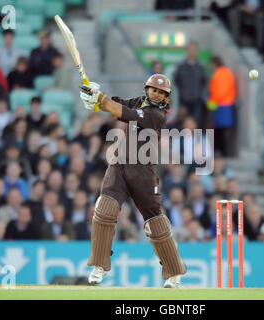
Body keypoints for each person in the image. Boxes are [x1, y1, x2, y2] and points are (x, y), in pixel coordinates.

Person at [79, 73, 187, 288]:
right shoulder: (140, 101)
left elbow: (122, 111)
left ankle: (174, 272)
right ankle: (99, 266)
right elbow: (117, 103)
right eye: (154, 90)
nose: (156, 94)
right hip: (120, 165)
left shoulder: (157, 114)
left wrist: (101, 101)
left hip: (143, 173)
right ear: (147, 89)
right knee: (105, 208)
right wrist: (95, 96)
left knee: (155, 222)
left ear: (166, 97)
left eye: (161, 92)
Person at [206, 56, 237, 156]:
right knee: (221, 131)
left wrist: (210, 101)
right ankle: (220, 152)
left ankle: (221, 153)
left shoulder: (222, 74)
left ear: (214, 64)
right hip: (223, 106)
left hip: (223, 106)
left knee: (221, 132)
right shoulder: (223, 73)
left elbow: (219, 92)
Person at [173, 41, 207, 123]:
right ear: (187, 51)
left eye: (194, 50)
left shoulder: (201, 66)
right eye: (190, 49)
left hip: (197, 101)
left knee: (196, 123)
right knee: (182, 123)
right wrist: (182, 93)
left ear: (197, 51)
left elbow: (204, 82)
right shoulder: (181, 65)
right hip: (183, 100)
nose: (192, 52)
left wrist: (200, 94)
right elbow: (176, 80)